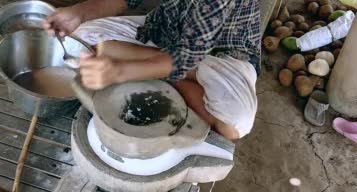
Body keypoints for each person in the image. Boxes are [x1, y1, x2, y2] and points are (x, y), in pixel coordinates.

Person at [43, 0, 261, 140]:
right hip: (164, 32)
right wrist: (80, 13)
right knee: (81, 37)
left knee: (235, 123)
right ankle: (166, 75)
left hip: (221, 56)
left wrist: (119, 72)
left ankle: (161, 72)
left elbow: (189, 53)